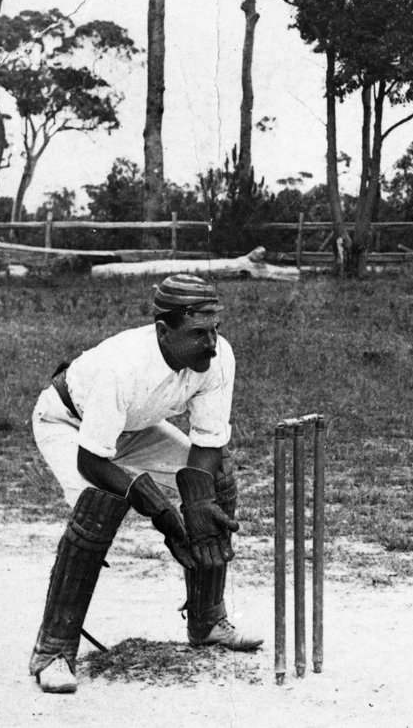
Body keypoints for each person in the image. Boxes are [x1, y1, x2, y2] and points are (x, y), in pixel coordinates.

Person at [28, 273, 262, 694]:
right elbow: (93, 460)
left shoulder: (218, 357)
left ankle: (208, 620)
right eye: (198, 333)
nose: (211, 343)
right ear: (163, 331)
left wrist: (197, 502)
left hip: (134, 427)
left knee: (217, 483)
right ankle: (54, 651)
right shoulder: (123, 365)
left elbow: (208, 444)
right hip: (68, 422)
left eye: (215, 330)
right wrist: (154, 505)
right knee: (96, 504)